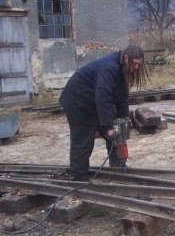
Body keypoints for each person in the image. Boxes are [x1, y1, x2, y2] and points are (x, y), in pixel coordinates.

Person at [59, 44, 148, 181]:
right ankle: (78, 175)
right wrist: (108, 127)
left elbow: (122, 98)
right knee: (83, 140)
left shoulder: (124, 70)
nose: (136, 68)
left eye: (138, 65)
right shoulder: (109, 68)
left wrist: (122, 121)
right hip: (78, 100)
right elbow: (103, 99)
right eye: (134, 64)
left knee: (118, 137)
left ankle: (118, 169)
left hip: (94, 102)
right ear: (126, 58)